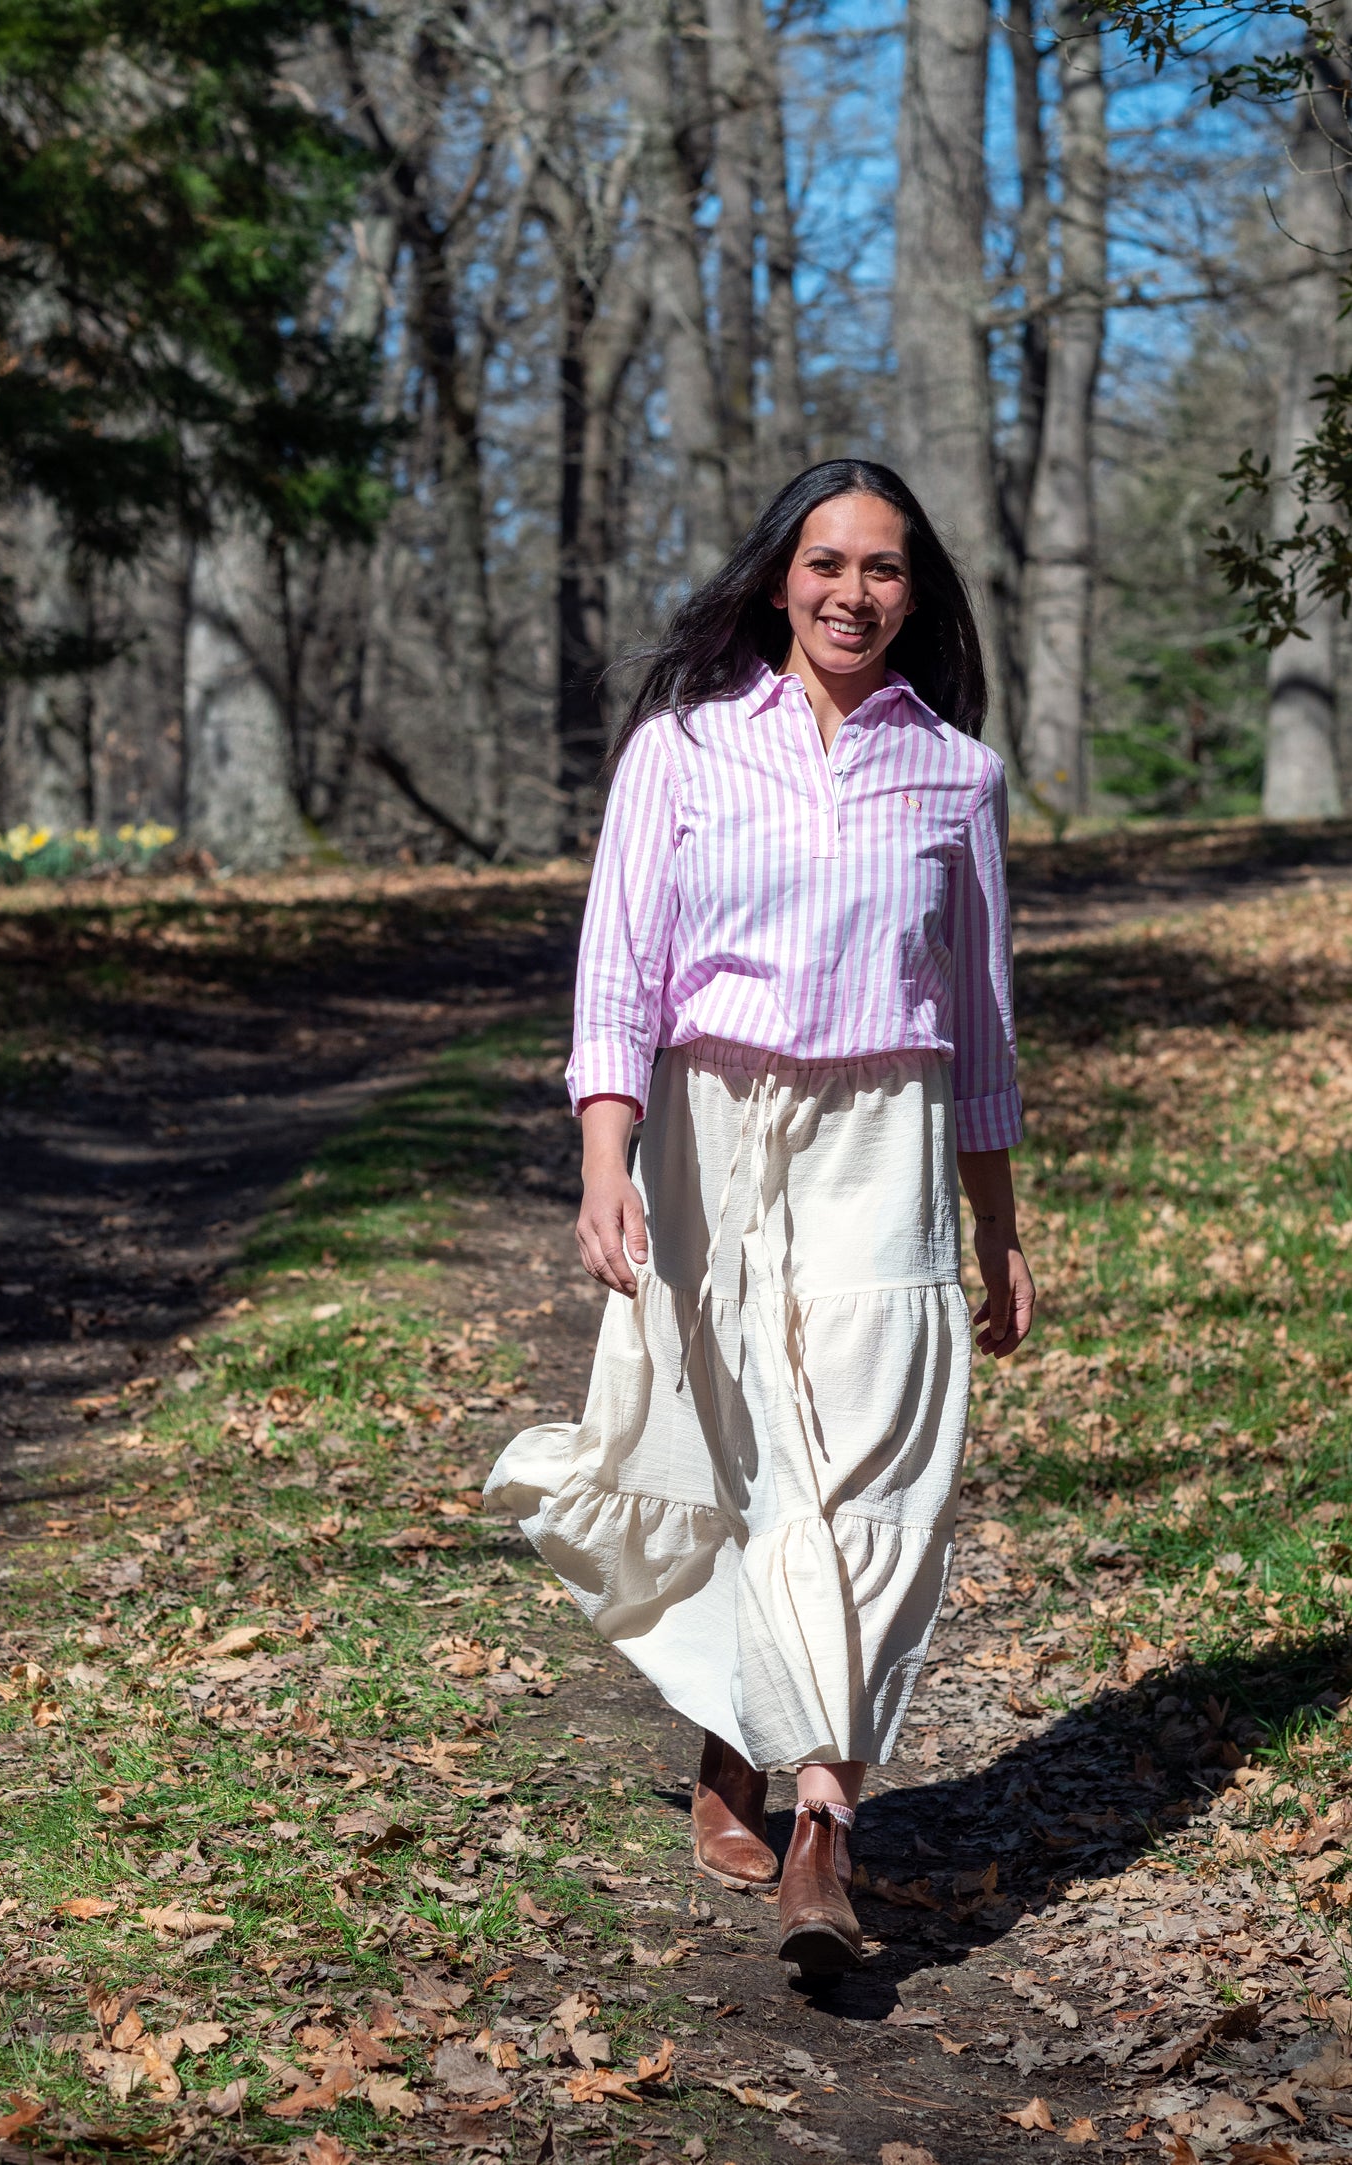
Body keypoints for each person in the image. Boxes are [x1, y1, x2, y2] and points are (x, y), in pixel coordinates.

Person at [485, 459, 1035, 1979]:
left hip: (888, 1136)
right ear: (778, 577)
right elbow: (620, 969)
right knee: (727, 1446)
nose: (851, 593)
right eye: (825, 563)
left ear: (915, 595)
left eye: (882, 570)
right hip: (712, 1126)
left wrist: (995, 1220)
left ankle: (819, 1817)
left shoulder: (957, 775)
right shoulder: (681, 750)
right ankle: (731, 1733)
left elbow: (978, 1018)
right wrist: (607, 1159)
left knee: (868, 1461)